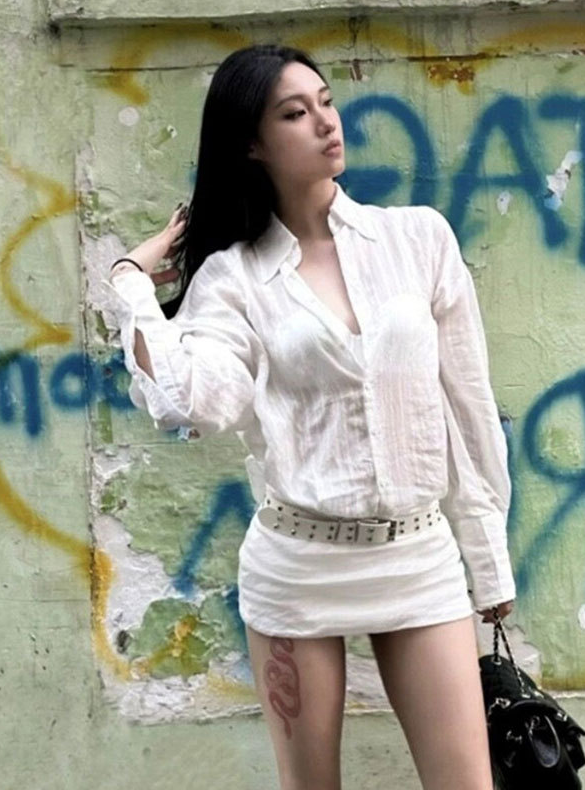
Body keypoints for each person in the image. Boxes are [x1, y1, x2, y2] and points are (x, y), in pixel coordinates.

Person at [102, 43, 515, 790]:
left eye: (326, 102)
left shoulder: (418, 238)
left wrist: (487, 560)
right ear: (252, 145)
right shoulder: (234, 277)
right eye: (295, 113)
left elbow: (468, 403)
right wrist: (131, 283)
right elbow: (190, 403)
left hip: (418, 555)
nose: (326, 123)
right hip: (298, 568)